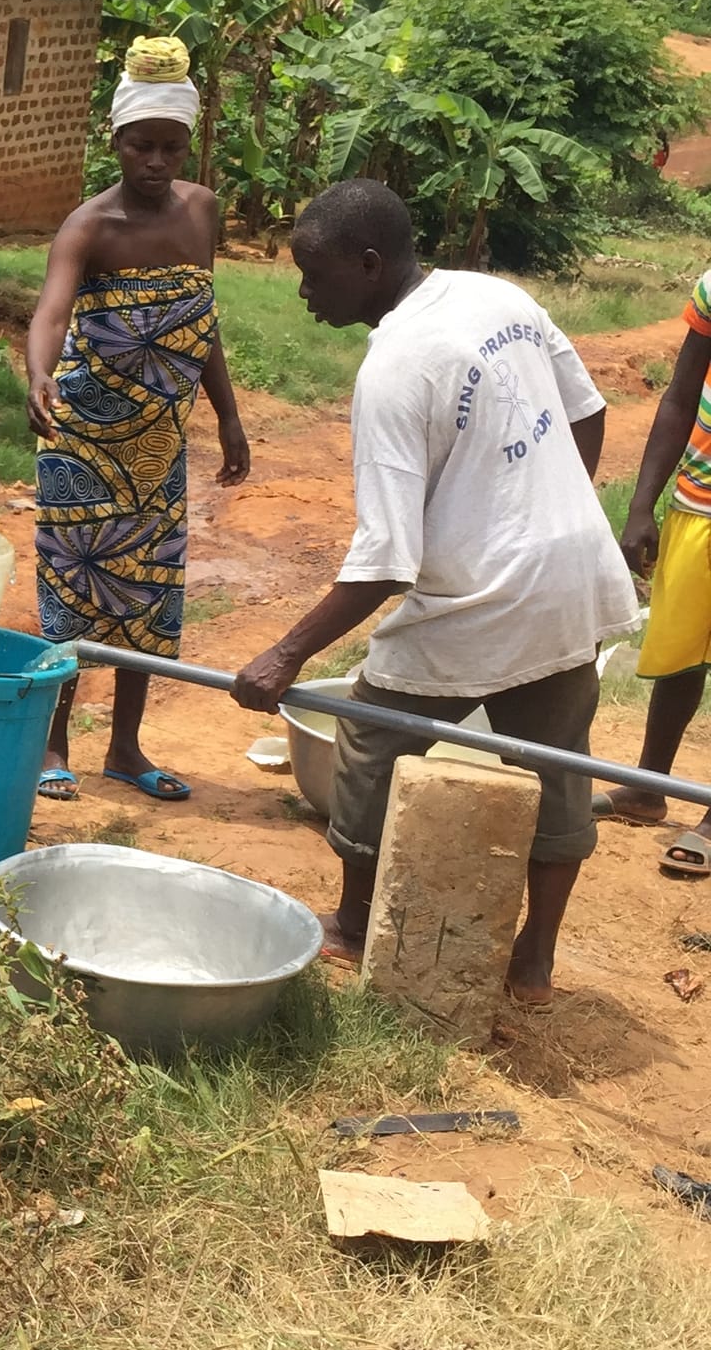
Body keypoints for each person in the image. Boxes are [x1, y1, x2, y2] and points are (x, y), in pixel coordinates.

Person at [230, 176, 638, 1006]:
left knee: (375, 738)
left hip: (486, 598)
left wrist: (283, 654)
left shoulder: (394, 369)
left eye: (315, 273)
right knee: (555, 765)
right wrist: (549, 513)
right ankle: (534, 962)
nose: (304, 292)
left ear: (370, 264)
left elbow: (386, 562)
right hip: (571, 575)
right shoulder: (499, 297)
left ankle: (349, 924)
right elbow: (587, 412)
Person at [28, 35, 251, 801]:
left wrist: (226, 414)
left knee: (151, 592)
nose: (156, 162)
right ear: (116, 142)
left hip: (161, 440)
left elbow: (203, 318)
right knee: (74, 591)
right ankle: (54, 744)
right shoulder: (89, 226)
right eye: (141, 145)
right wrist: (37, 375)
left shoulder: (203, 212)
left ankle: (124, 746)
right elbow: (51, 313)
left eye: (171, 148)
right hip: (85, 438)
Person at [595, 269, 711, 874]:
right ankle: (647, 787)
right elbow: (680, 395)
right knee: (680, 656)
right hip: (698, 502)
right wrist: (642, 504)